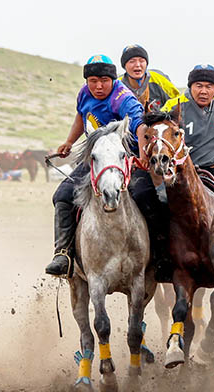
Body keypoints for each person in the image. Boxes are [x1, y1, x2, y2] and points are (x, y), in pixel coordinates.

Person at [45, 54, 173, 281]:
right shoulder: (85, 93)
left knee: (148, 197)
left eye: (104, 80)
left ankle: (161, 256)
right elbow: (81, 116)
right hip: (95, 160)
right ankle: (63, 254)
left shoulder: (123, 98)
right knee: (62, 196)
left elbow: (141, 126)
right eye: (93, 80)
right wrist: (69, 142)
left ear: (113, 79)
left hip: (125, 158)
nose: (98, 86)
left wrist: (143, 155)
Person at [160, 64, 214, 187]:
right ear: (190, 87)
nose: (203, 91)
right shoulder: (173, 106)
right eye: (199, 86)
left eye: (209, 87)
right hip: (186, 169)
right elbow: (157, 127)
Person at [118, 44, 180, 112]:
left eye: (141, 61)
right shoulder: (118, 85)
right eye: (132, 61)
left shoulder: (159, 78)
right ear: (124, 66)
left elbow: (178, 102)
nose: (138, 65)